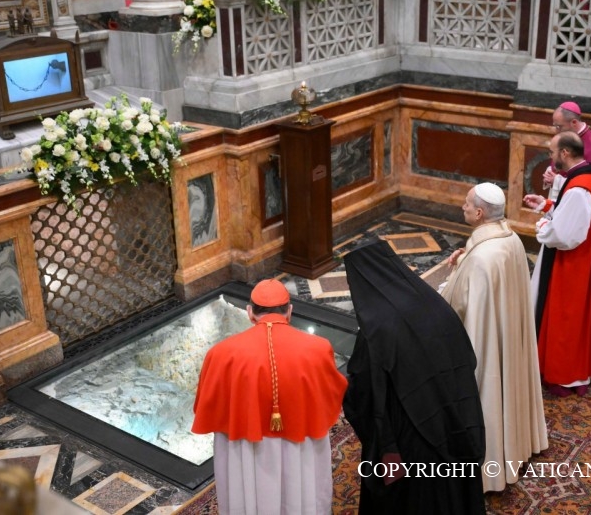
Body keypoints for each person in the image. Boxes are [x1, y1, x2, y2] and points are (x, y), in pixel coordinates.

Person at [343, 240, 486, 514]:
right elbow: (466, 358)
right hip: (454, 418)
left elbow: (363, 394)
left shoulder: (376, 330)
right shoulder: (433, 301)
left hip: (410, 437)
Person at [192, 279, 347, 514]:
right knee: (301, 490)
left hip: (244, 445)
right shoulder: (318, 348)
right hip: (299, 444)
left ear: (250, 312)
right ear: (290, 311)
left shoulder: (220, 354)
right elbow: (332, 395)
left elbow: (206, 404)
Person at [440, 182, 548, 493]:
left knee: (488, 388)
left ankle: (489, 466)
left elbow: (458, 305)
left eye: (467, 203)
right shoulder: (510, 239)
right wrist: (464, 260)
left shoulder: (481, 258)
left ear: (479, 213)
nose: (462, 206)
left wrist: (451, 278)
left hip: (484, 341)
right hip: (508, 332)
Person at [524, 131, 591, 397]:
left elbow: (563, 235)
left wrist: (542, 224)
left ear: (565, 153)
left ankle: (563, 373)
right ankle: (583, 366)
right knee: (582, 317)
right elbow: (578, 216)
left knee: (565, 317)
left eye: (552, 152)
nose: (550, 157)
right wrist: (547, 205)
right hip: (589, 259)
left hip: (571, 264)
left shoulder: (579, 188)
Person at [543, 101, 591, 200]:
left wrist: (557, 181)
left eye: (559, 127)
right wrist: (550, 173)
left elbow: (587, 185)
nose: (556, 131)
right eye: (555, 126)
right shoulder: (567, 136)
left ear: (574, 123)